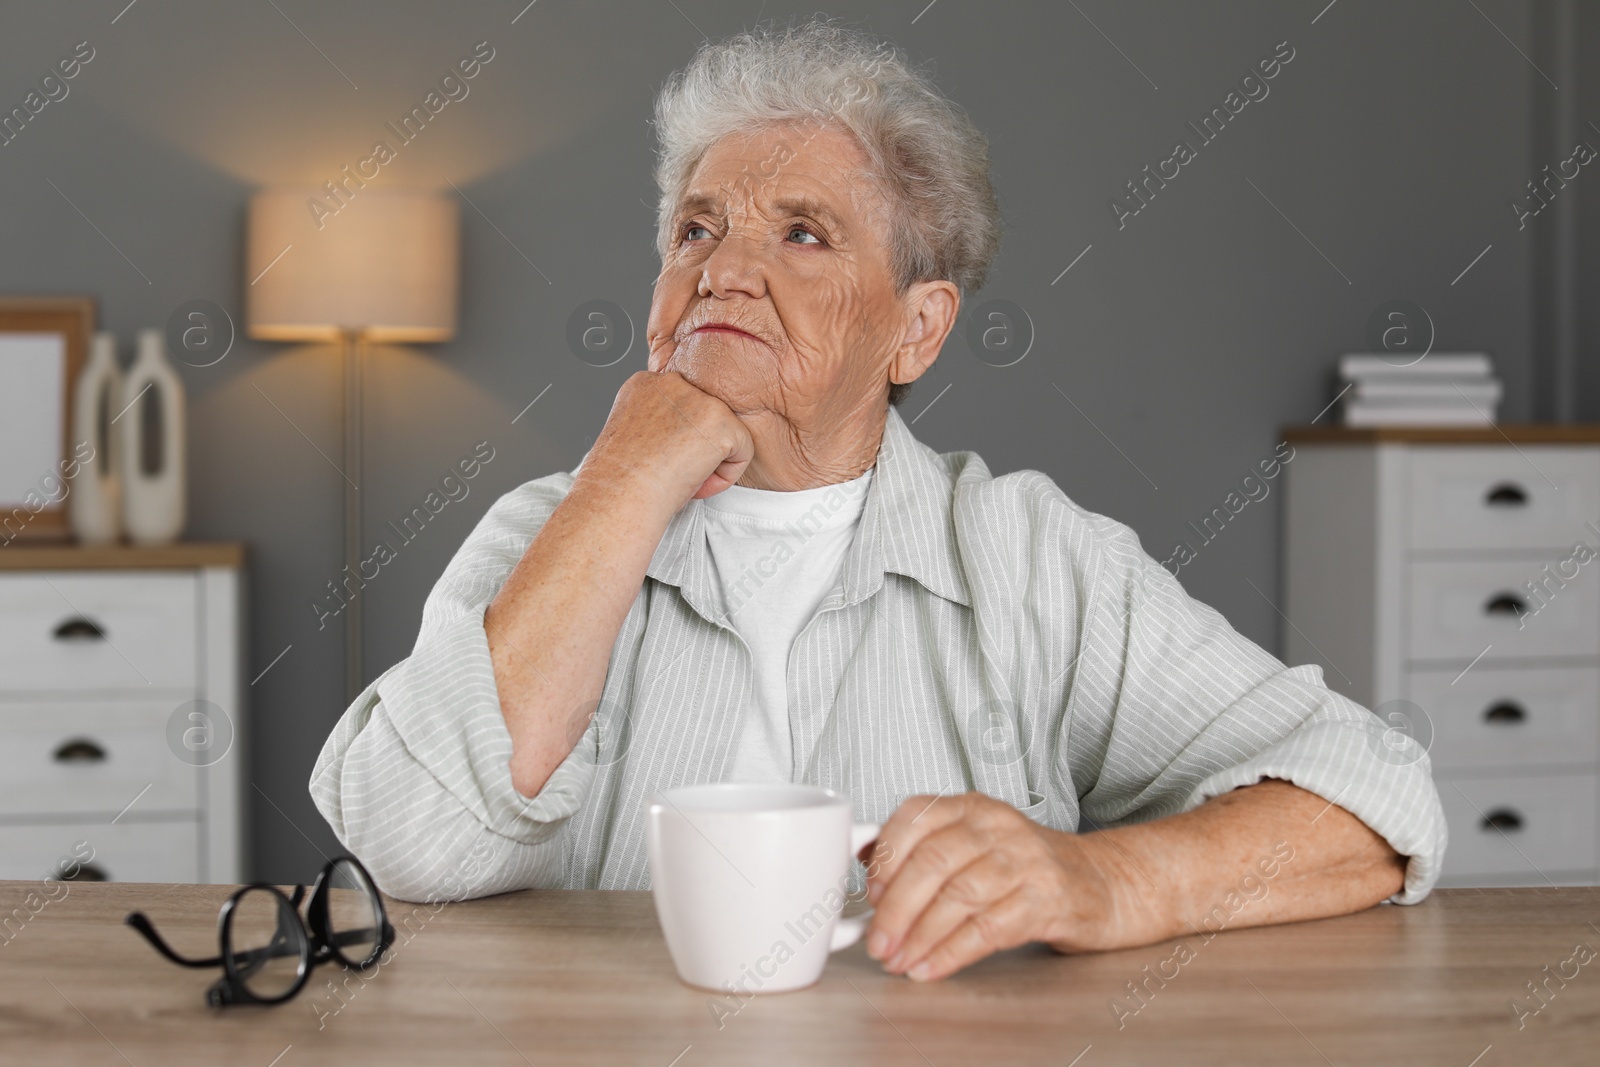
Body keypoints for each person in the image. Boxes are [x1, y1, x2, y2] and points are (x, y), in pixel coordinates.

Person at [312, 18, 1445, 983]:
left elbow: (1374, 798)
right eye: (696, 229)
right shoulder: (541, 530)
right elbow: (408, 845)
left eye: (801, 233)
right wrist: (622, 476)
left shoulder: (1029, 558)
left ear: (917, 327)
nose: (724, 270)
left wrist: (1104, 876)